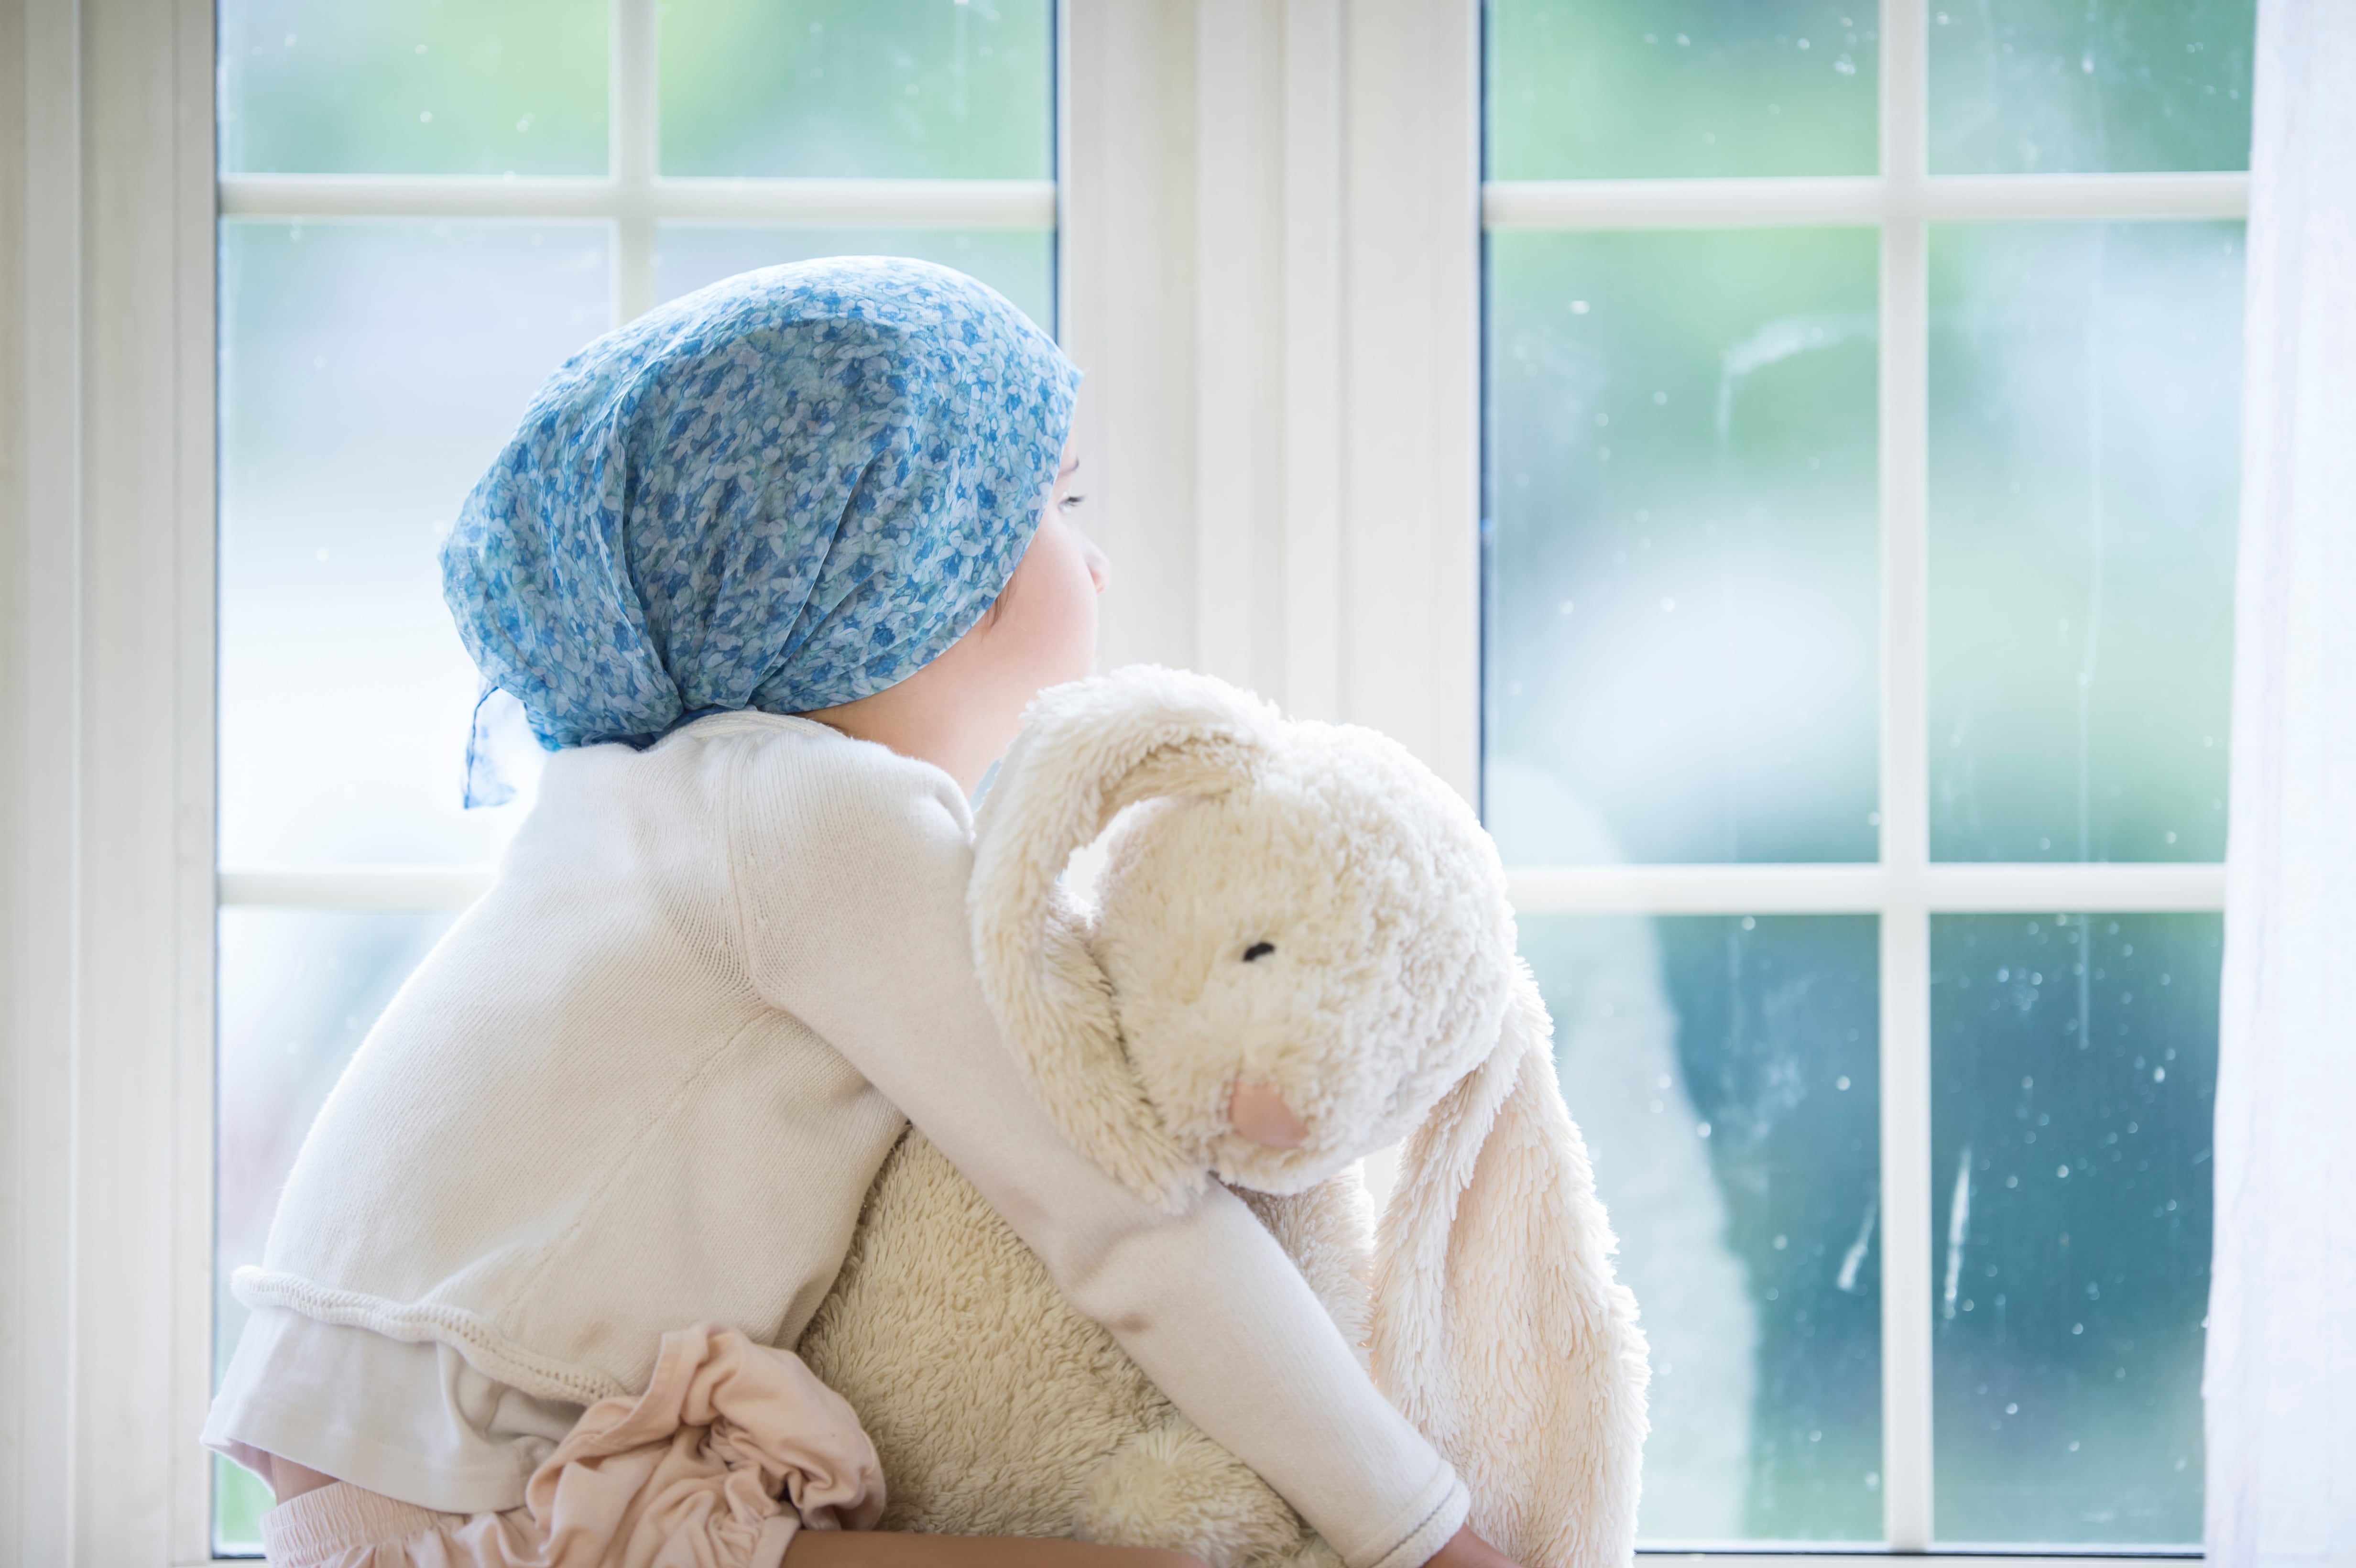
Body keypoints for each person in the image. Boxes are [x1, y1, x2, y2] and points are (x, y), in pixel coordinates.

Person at [202, 258, 1528, 1568]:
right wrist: (1422, 1531)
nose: (1102, 562)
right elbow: (1126, 1212)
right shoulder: (817, 817)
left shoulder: (638, 801)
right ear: (927, 571)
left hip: (402, 1483)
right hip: (494, 1504)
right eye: (1061, 504)